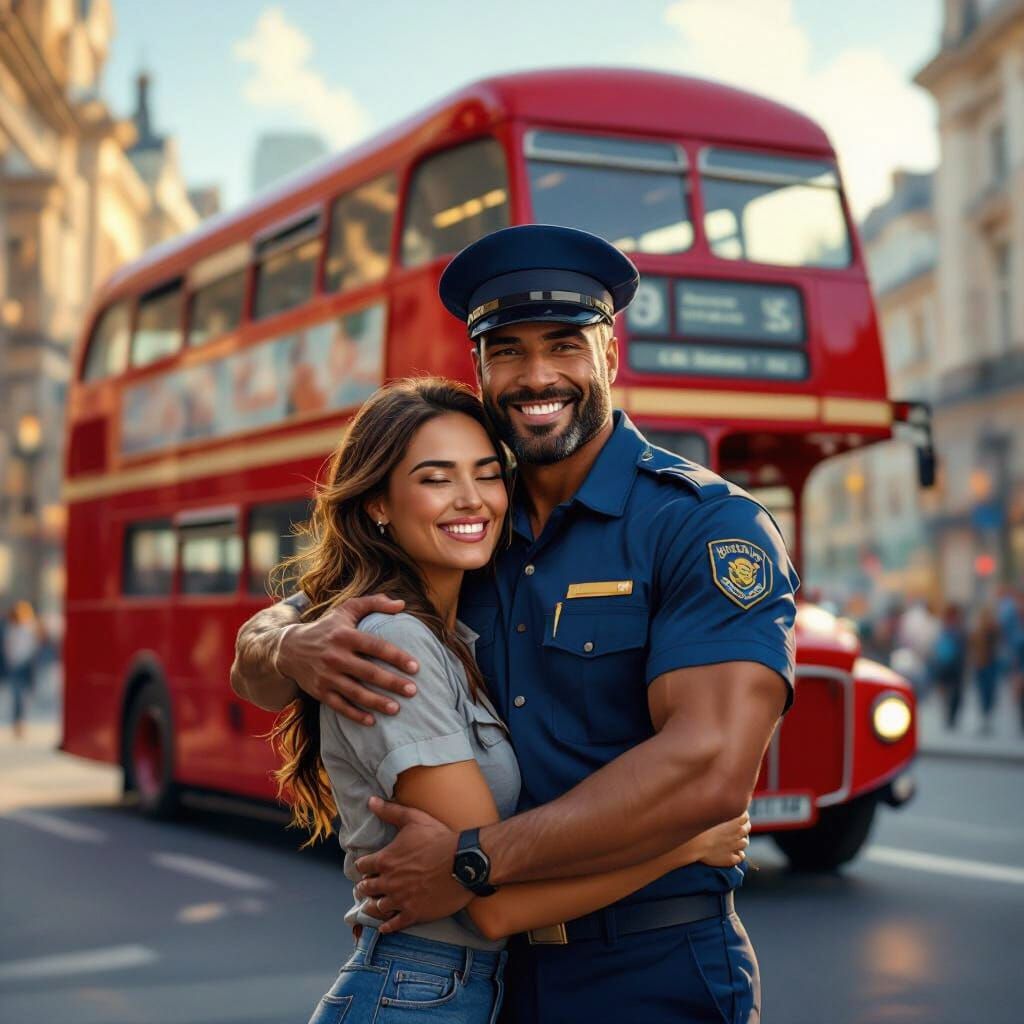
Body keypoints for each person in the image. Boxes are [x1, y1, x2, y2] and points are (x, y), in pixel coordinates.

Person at [232, 225, 799, 1024]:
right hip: (494, 982)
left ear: (609, 355)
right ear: (479, 368)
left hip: (647, 967)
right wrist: (290, 644)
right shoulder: (467, 528)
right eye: (507, 351)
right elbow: (259, 653)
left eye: (564, 345)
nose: (537, 376)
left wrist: (473, 860)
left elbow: (708, 768)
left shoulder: (701, 525)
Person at [267, 376, 751, 1024]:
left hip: (459, 991)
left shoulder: (454, 626)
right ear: (379, 502)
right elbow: (492, 905)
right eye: (437, 478)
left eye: (487, 474)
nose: (471, 499)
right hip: (418, 995)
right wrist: (685, 845)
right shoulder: (389, 645)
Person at [4, 601, 39, 739]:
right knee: (16, 696)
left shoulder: (29, 628)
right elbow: (9, 648)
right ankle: (17, 724)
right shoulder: (12, 629)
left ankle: (21, 723)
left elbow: (31, 647)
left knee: (23, 696)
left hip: (25, 665)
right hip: (16, 666)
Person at [931, 604, 967, 730]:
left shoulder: (956, 629)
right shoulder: (948, 629)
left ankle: (950, 714)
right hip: (946, 664)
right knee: (947, 691)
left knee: (954, 692)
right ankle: (947, 713)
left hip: (953, 665)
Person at [970, 604, 1002, 736]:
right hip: (981, 665)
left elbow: (999, 645)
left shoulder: (995, 630)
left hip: (992, 665)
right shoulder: (977, 630)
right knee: (983, 692)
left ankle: (987, 717)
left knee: (990, 692)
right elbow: (972, 647)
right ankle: (984, 717)